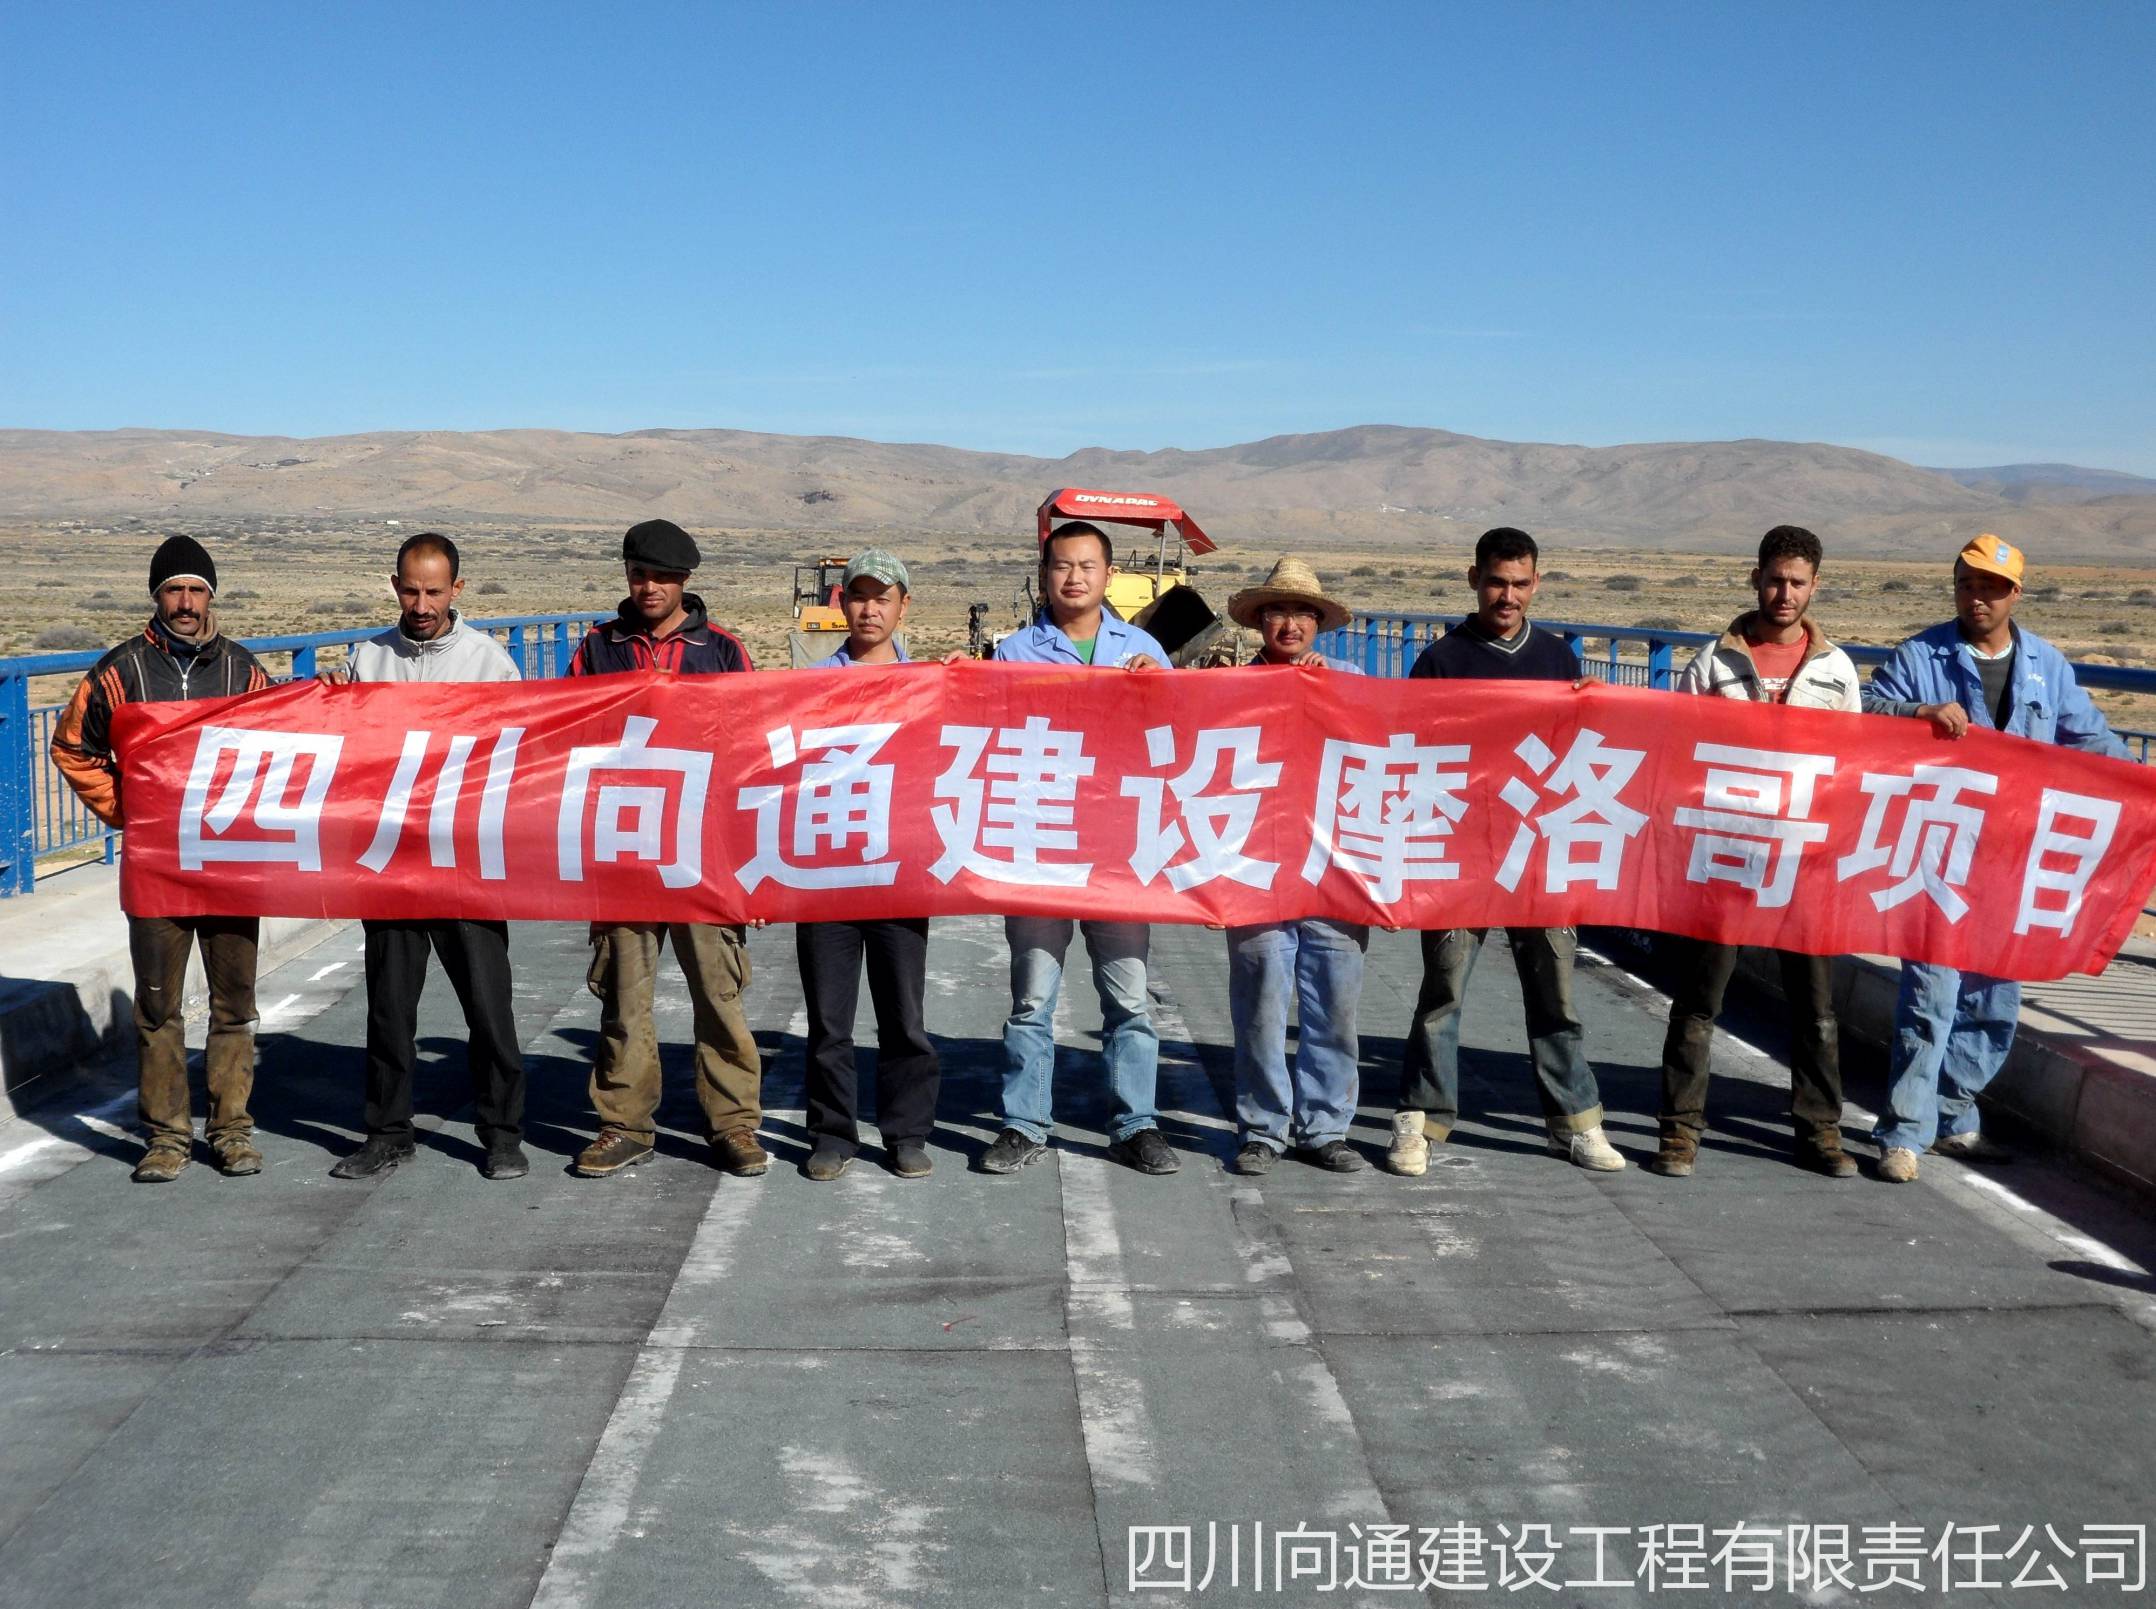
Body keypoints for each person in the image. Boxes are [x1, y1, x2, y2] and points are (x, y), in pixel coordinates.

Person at [1863, 533, 2127, 1183]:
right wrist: (1919, 710)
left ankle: (1954, 1114)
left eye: (1991, 587)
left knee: (1993, 995)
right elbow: (1865, 710)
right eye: (1967, 584)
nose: (1977, 597)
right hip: (1939, 850)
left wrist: (2141, 784)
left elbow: (2092, 739)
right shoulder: (1920, 656)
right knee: (1931, 993)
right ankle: (1905, 1131)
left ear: (2015, 593)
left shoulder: (2047, 666)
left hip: (2011, 857)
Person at [1384, 526, 1627, 1175]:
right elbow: (1413, 757)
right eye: (1497, 582)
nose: (1508, 596)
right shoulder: (1441, 661)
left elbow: (1580, 755)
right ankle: (1419, 1121)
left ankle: (1576, 1122)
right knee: (1442, 992)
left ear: (1536, 583)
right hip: (1463, 855)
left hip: (1540, 854)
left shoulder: (1558, 659)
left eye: (1521, 584)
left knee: (1555, 995)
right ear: (1475, 579)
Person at [50, 535, 270, 1182]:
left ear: (211, 596)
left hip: (229, 862)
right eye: (174, 589)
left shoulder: (244, 673)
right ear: (156, 596)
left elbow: (286, 744)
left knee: (234, 1004)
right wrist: (126, 809)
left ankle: (231, 1131)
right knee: (156, 1008)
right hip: (156, 866)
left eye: (197, 590)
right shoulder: (120, 672)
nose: (186, 603)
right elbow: (72, 746)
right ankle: (167, 1137)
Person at [1652, 525, 1863, 1180]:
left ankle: (1819, 1128)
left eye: (1797, 582)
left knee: (1815, 1005)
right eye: (1775, 579)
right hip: (1725, 855)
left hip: (1803, 860)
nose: (1785, 593)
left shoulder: (1836, 671)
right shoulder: (1711, 664)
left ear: (1815, 585)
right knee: (1699, 1000)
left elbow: (1854, 763)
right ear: (1756, 578)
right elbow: (1676, 751)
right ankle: (1680, 1127)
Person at [568, 518, 768, 1179]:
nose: (649, 587)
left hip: (703, 853)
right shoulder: (597, 648)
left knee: (718, 992)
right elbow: (564, 737)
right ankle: (624, 1123)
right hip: (623, 850)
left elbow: (752, 757)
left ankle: (733, 1123)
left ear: (685, 580)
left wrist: (749, 869)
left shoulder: (723, 652)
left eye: (662, 576)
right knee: (624, 996)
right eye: (638, 574)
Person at [328, 532, 530, 1182]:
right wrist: (330, 699)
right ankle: (388, 1132)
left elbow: (520, 755)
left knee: (488, 1006)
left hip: (464, 862)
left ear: (457, 590)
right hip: (391, 861)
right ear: (395, 586)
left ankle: (502, 1134)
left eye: (434, 592)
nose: (421, 605)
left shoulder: (489, 663)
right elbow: (341, 748)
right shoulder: (368, 659)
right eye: (411, 591)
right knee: (389, 1009)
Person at [981, 520, 1179, 1176]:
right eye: (1062, 566)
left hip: (1118, 852)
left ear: (1109, 574)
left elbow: (1178, 738)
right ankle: (1024, 1122)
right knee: (1031, 999)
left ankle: (1135, 1122)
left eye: (1087, 566)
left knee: (1129, 999)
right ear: (1044, 575)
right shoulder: (1014, 653)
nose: (1074, 577)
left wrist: (1162, 688)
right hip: (1040, 848)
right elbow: (983, 732)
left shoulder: (1144, 649)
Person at [795, 551, 941, 1180]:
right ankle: (832, 1134)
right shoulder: (806, 686)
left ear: (903, 607)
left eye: (883, 598)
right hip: (825, 873)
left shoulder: (931, 686)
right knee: (829, 1020)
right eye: (859, 596)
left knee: (903, 1017)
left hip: (899, 872)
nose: (870, 609)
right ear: (842, 603)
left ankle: (906, 1133)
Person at [1220, 557, 1368, 1175]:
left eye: (1302, 613)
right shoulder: (1231, 688)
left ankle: (1326, 1127)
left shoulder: (1352, 681)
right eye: (1277, 612)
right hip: (1256, 866)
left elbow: (1386, 755)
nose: (1289, 625)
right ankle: (1262, 1128)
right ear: (1259, 622)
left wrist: (1333, 691)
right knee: (1260, 1001)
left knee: (1334, 1002)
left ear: (1318, 623)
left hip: (1334, 868)